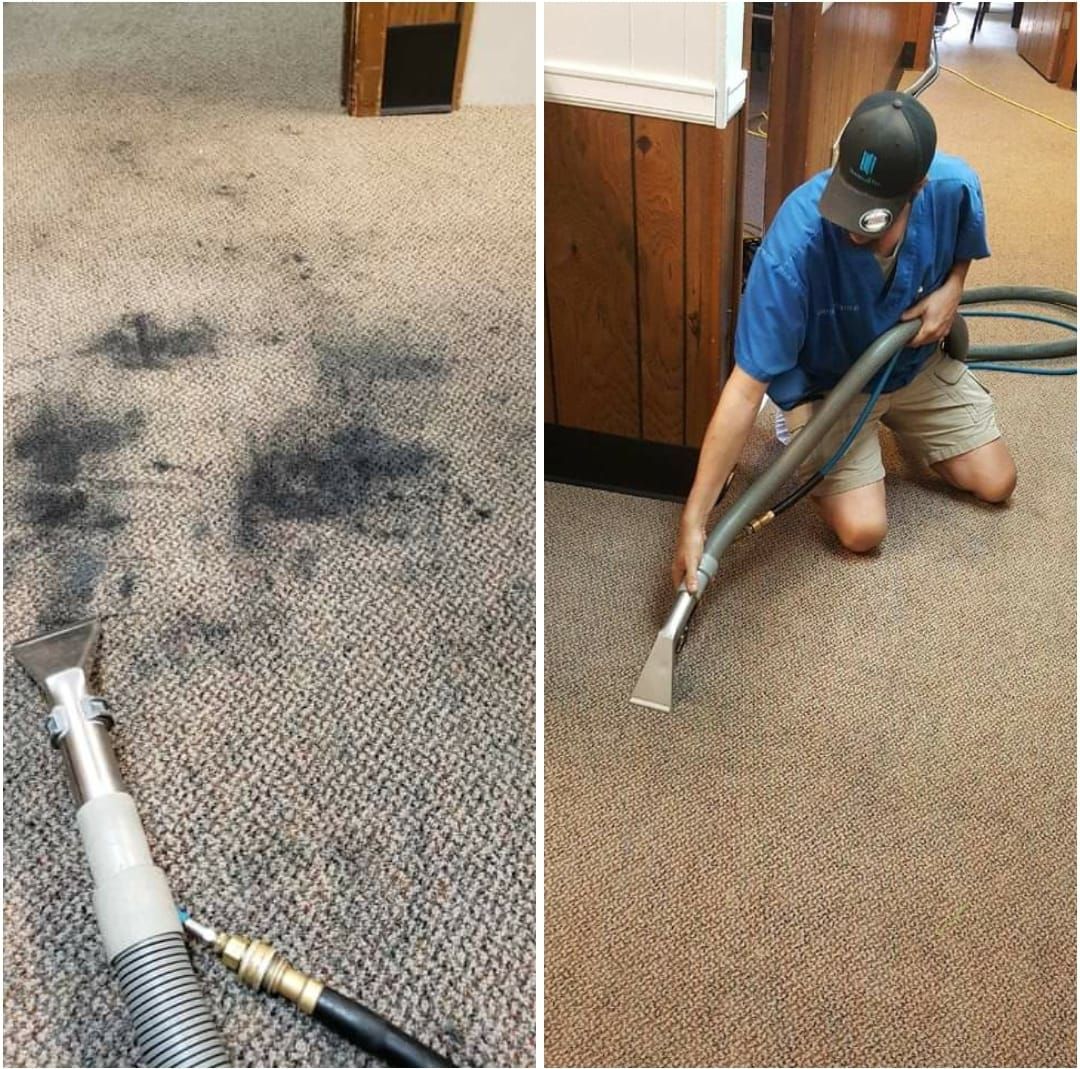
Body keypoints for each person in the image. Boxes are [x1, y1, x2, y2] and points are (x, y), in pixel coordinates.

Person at [672, 90, 1016, 593]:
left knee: (996, 483)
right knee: (863, 531)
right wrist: (694, 520)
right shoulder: (794, 248)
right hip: (832, 385)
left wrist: (953, 290)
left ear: (916, 190)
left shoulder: (952, 185)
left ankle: (893, 424)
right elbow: (745, 390)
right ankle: (804, 429)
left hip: (910, 361)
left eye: (872, 219)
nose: (853, 233)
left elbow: (963, 242)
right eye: (847, 207)